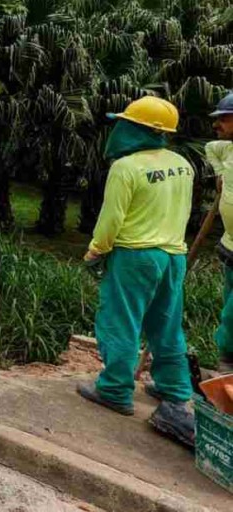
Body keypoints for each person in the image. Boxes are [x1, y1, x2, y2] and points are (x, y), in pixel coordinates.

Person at [77, 96, 196, 448]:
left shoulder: (126, 167)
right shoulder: (183, 163)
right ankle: (175, 390)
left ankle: (114, 389)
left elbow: (112, 218)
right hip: (173, 255)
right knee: (166, 325)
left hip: (134, 256)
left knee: (120, 321)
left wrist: (96, 249)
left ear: (136, 128)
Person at [187, 92, 233, 375]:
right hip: (230, 244)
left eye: (225, 119)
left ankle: (227, 359)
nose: (219, 125)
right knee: (229, 298)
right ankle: (228, 358)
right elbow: (211, 148)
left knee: (232, 312)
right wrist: (219, 174)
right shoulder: (227, 149)